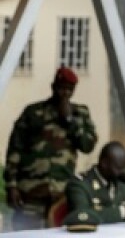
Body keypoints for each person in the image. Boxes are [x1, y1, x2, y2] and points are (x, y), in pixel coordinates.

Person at [4, 67, 98, 230]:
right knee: (25, 234)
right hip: (30, 192)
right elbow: (15, 150)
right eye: (61, 88)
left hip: (61, 194)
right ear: (53, 86)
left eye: (69, 90)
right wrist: (11, 186)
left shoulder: (80, 113)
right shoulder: (33, 112)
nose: (64, 94)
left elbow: (87, 146)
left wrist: (70, 121)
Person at [63, 142, 125, 232]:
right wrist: (124, 211)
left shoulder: (120, 183)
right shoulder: (79, 184)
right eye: (119, 168)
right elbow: (82, 215)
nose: (124, 172)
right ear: (104, 164)